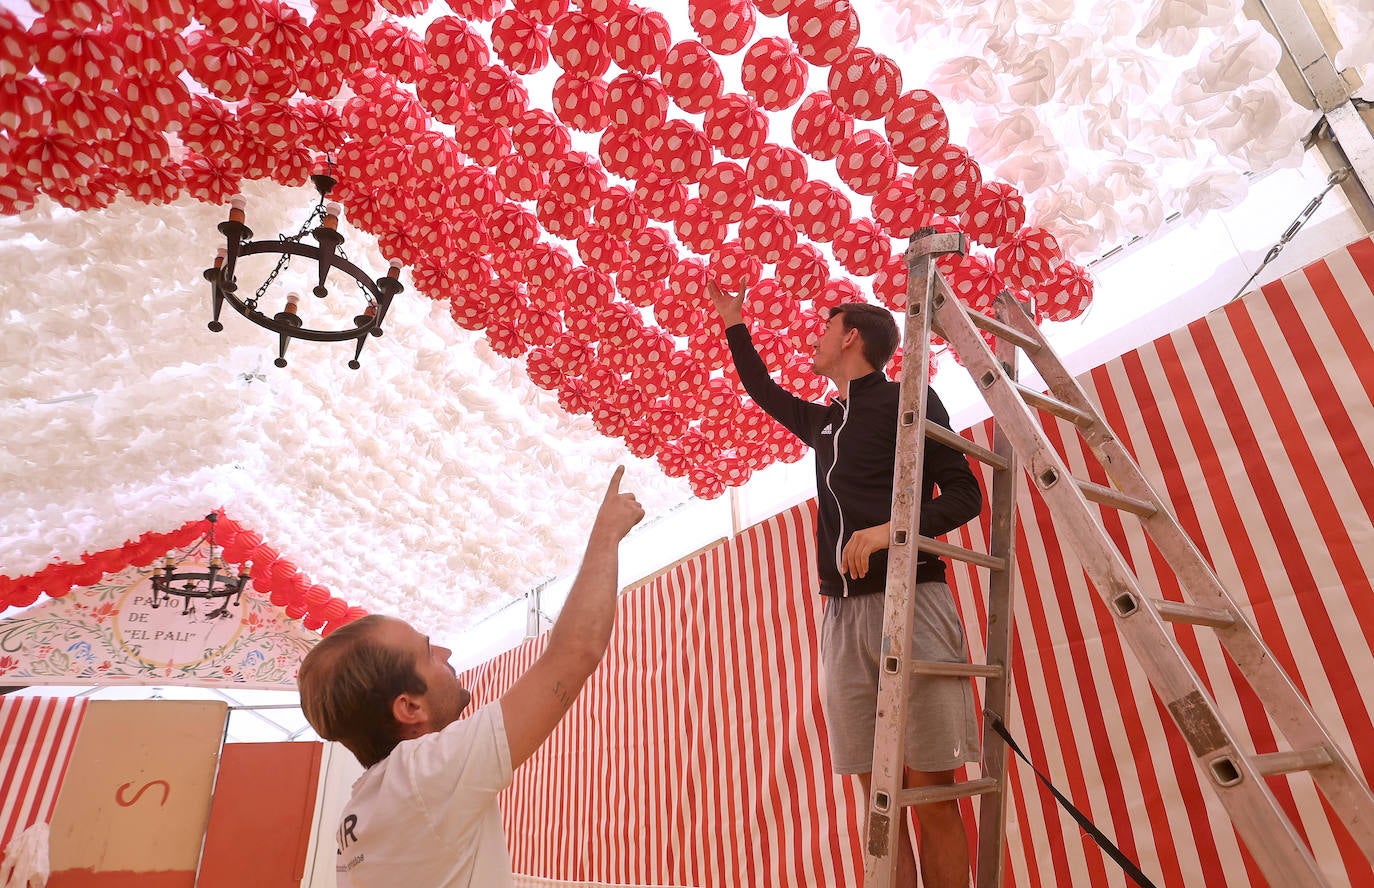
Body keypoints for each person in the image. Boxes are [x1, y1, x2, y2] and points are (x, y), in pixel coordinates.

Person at [709, 281, 983, 888]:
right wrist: (733, 323)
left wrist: (891, 532)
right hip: (843, 617)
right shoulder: (826, 421)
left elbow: (966, 495)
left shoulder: (911, 399)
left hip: (912, 602)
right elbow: (762, 390)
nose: (814, 338)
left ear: (850, 335)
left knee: (929, 788)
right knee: (876, 790)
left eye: (823, 327)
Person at [297, 467, 645, 888]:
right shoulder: (420, 775)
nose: (446, 652)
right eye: (428, 651)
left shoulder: (362, 810)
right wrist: (606, 533)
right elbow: (574, 655)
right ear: (409, 707)